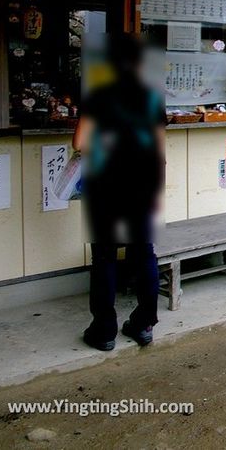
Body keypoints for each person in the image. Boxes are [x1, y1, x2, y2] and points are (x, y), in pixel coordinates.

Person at [73, 34, 166, 351]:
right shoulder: (151, 96)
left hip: (107, 185)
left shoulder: (98, 94)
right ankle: (143, 325)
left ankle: (104, 331)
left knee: (105, 258)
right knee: (144, 254)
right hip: (143, 184)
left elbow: (79, 142)